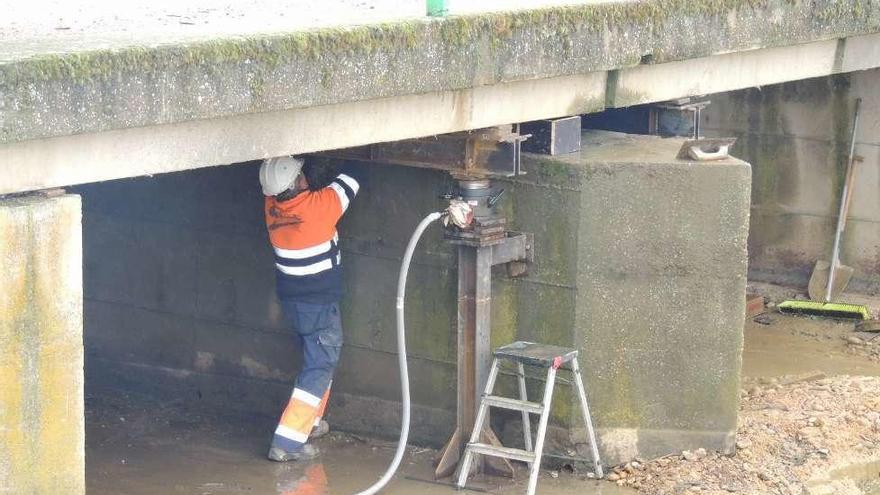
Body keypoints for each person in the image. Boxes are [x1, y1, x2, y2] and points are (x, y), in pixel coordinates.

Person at [259, 155, 359, 462]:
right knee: (319, 365)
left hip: (294, 301)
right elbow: (352, 180)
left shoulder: (272, 208)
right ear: (298, 182)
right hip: (318, 304)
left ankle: (310, 423)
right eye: (302, 174)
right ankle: (286, 442)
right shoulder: (319, 208)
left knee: (319, 359)